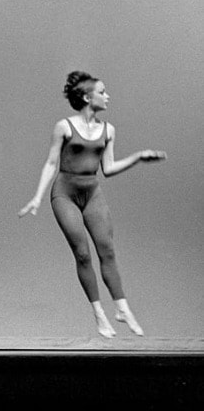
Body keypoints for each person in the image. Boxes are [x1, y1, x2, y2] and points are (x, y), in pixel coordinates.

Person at [19, 71, 166, 338]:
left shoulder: (108, 130)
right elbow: (52, 163)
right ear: (88, 97)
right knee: (83, 254)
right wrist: (37, 197)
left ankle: (121, 308)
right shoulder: (64, 126)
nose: (107, 96)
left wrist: (138, 157)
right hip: (65, 194)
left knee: (107, 251)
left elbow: (108, 168)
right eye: (103, 91)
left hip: (92, 192)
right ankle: (99, 313)